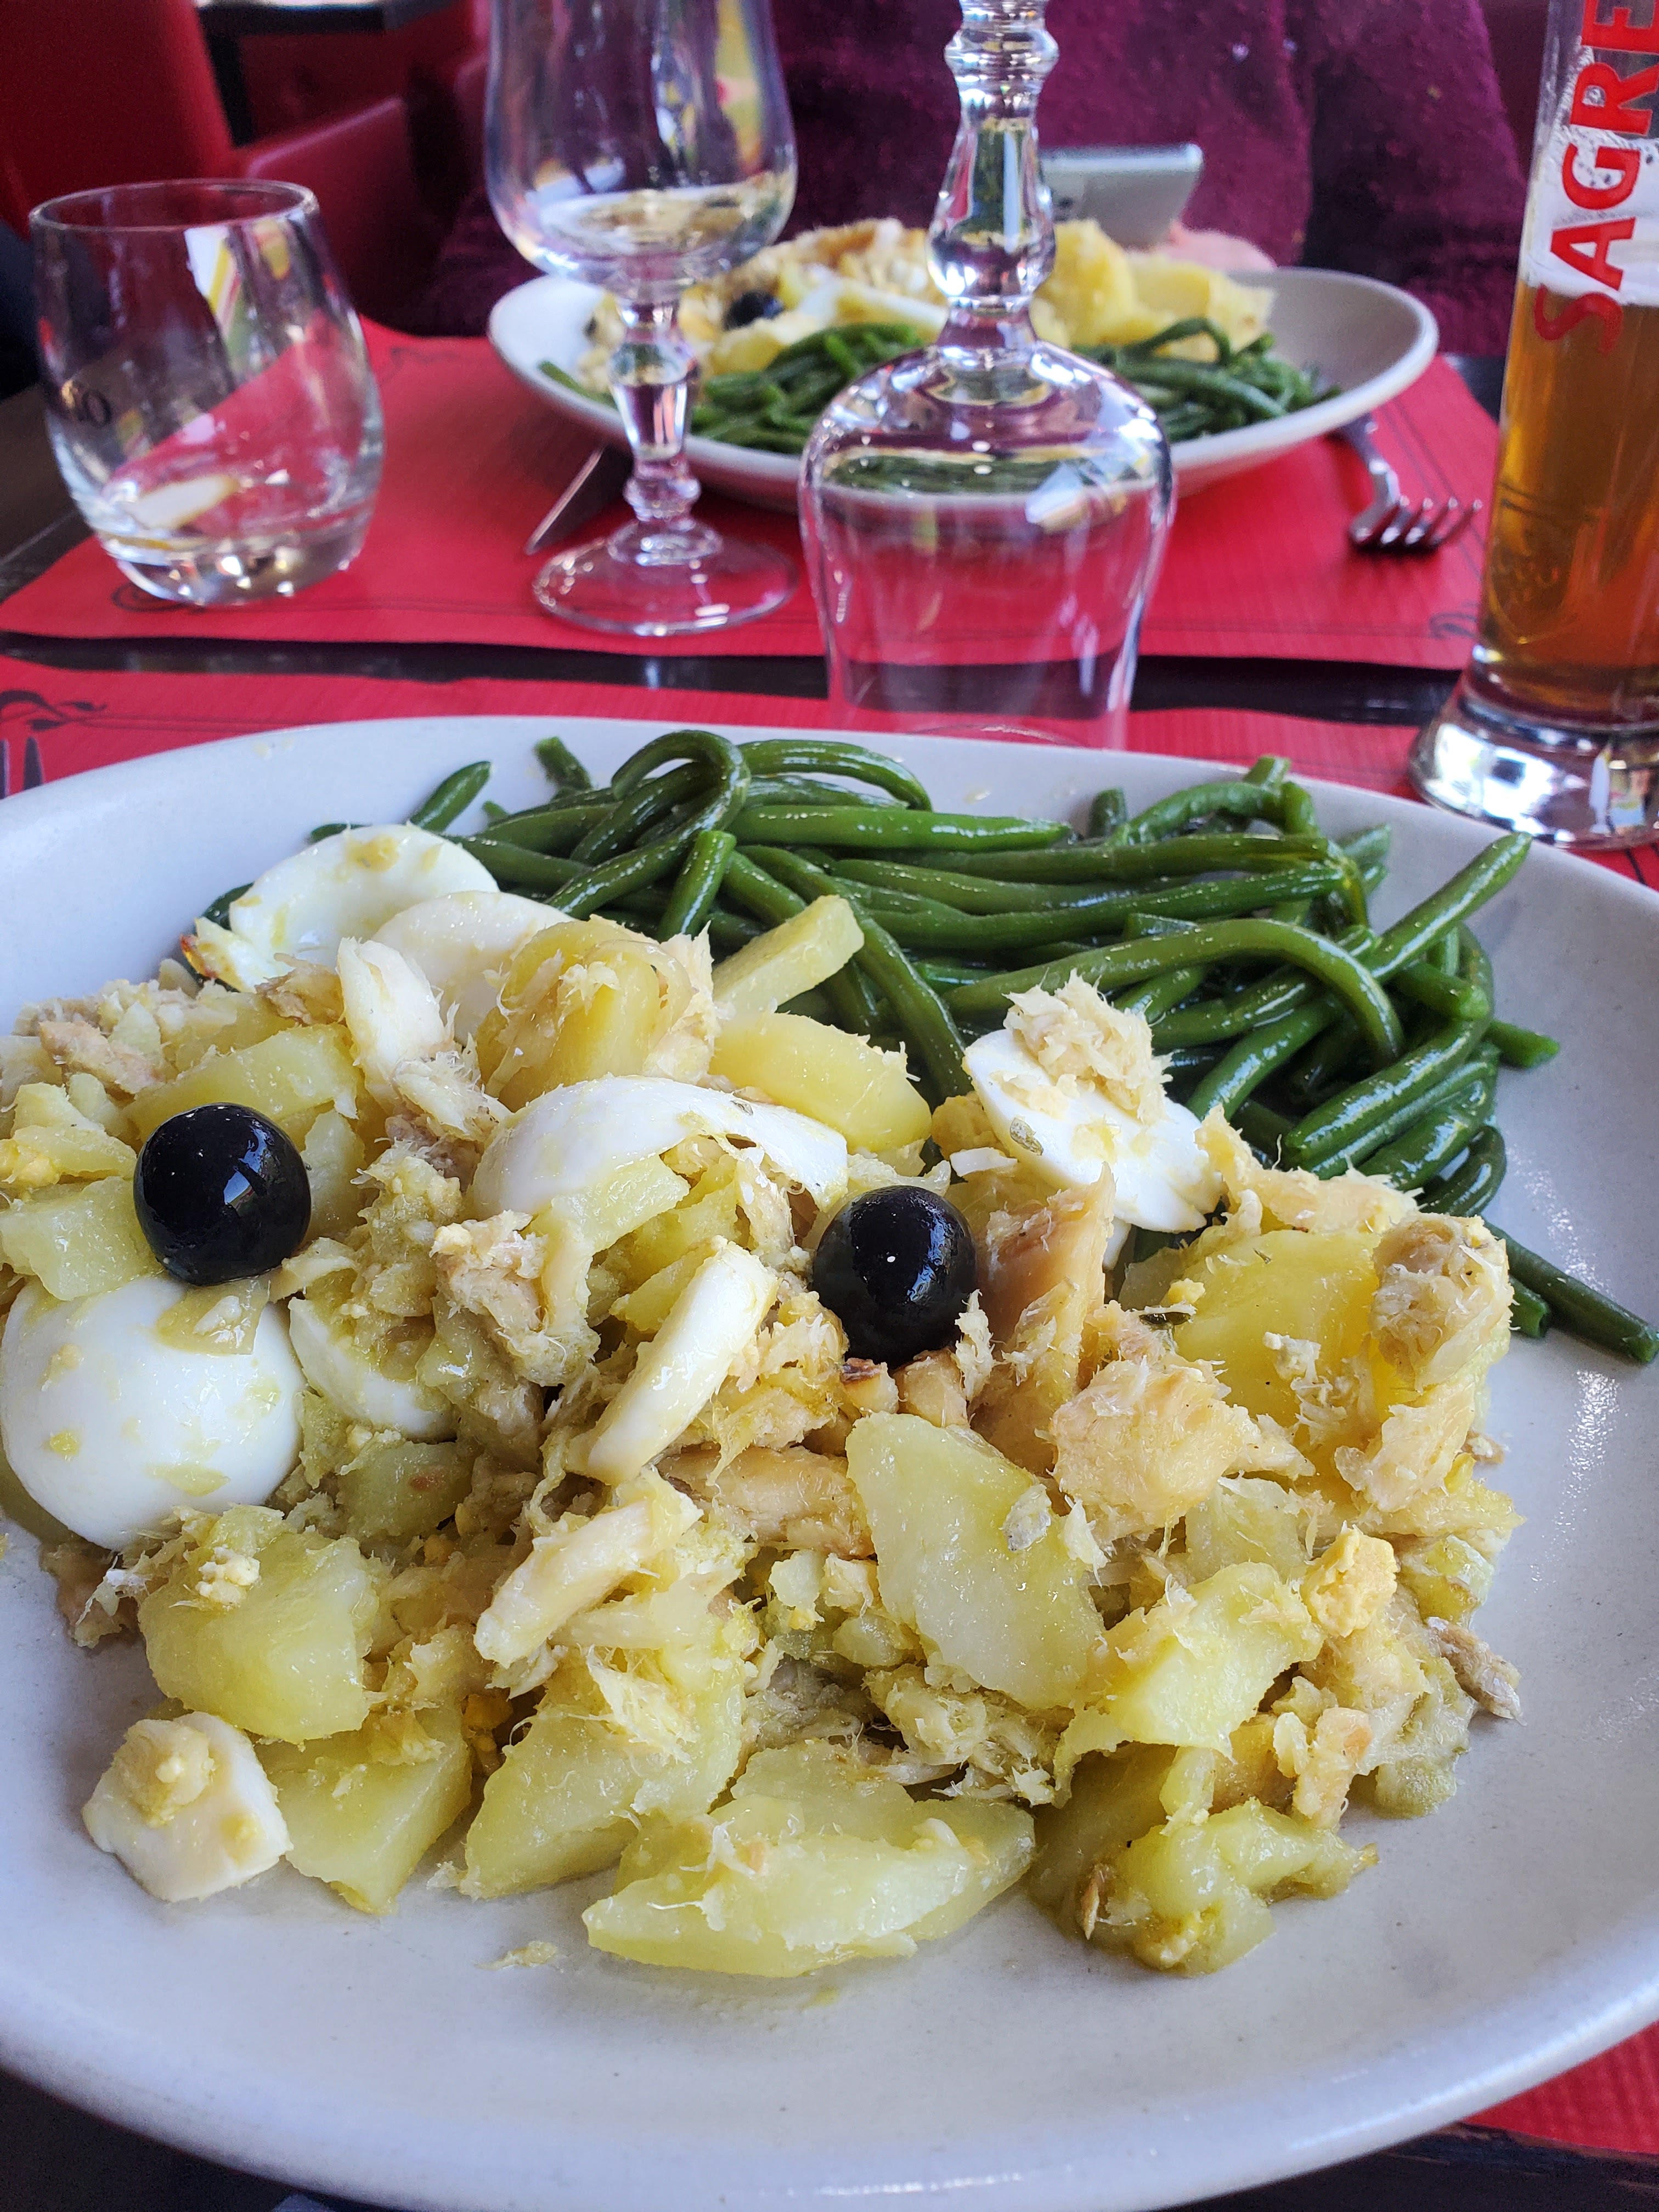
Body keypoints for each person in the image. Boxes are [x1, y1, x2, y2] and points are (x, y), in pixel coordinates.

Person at [411, 0, 1525, 354]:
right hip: (747, 504)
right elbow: (483, 288)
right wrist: (716, 308)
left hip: (1210, 510)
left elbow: (1488, 290)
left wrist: (1266, 305)